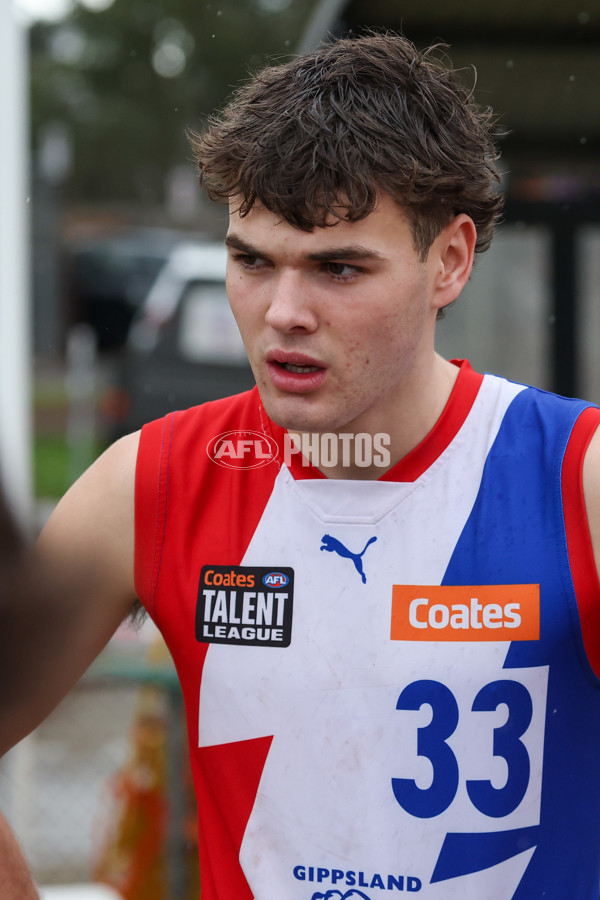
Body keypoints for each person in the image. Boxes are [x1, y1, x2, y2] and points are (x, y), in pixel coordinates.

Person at [3, 30, 600, 899]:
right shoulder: (150, 483)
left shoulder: (576, 479)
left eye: (339, 268)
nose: (283, 311)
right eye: (251, 260)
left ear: (452, 261)